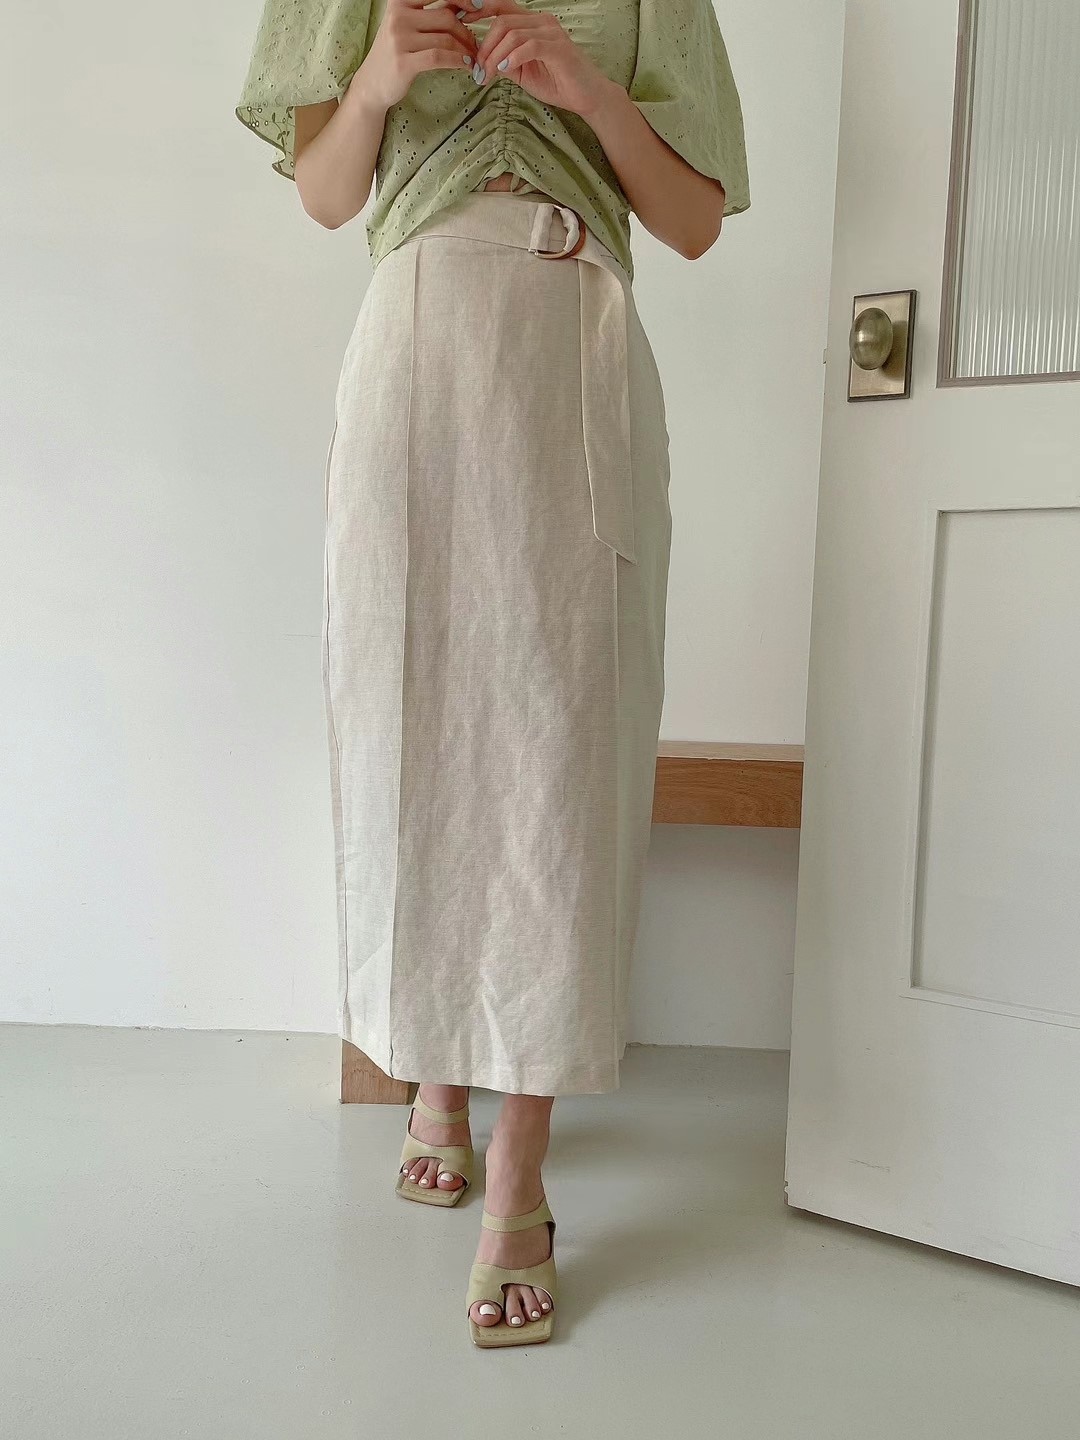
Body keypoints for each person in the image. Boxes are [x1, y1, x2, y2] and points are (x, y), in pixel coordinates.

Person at [236, 0, 749, 1347]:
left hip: (574, 330)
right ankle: (436, 1074)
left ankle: (519, 1160)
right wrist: (373, 83)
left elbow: (695, 221)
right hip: (417, 340)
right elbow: (327, 198)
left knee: (563, 739)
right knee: (405, 715)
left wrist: (590, 92)